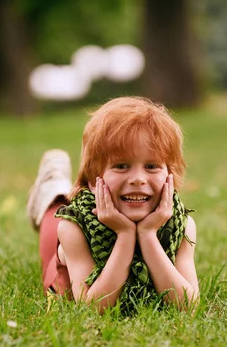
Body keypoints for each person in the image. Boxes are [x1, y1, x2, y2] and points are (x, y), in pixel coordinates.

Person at [26, 97, 198, 314]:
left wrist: (147, 234)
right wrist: (125, 235)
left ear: (169, 175)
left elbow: (187, 307)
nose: (138, 179)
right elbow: (94, 309)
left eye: (152, 166)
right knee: (54, 219)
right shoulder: (73, 228)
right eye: (121, 166)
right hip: (65, 262)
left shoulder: (182, 226)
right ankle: (52, 190)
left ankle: (58, 187)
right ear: (93, 179)